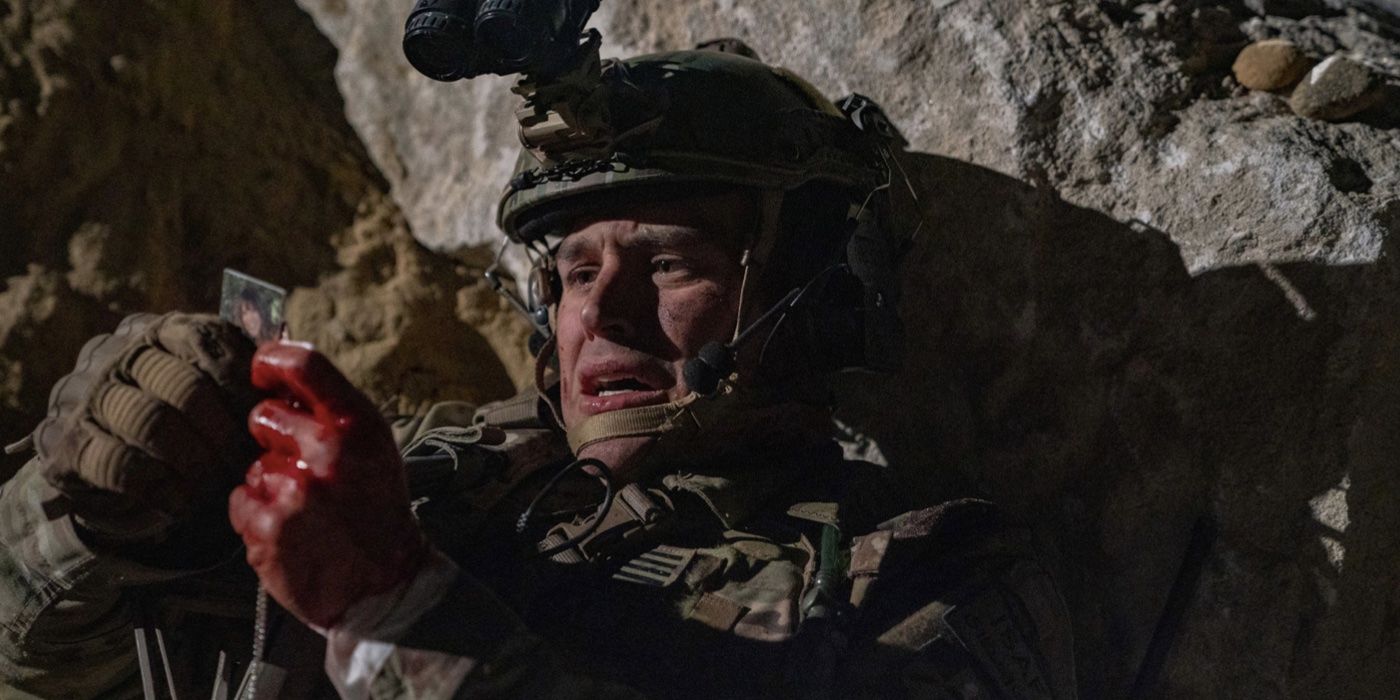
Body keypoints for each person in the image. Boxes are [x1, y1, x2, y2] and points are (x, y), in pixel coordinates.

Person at [0, 42, 1077, 699]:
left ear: (826, 289)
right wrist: (90, 510)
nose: (598, 313)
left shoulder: (936, 580)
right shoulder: (413, 467)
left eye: (668, 262)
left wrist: (394, 611)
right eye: (569, 270)